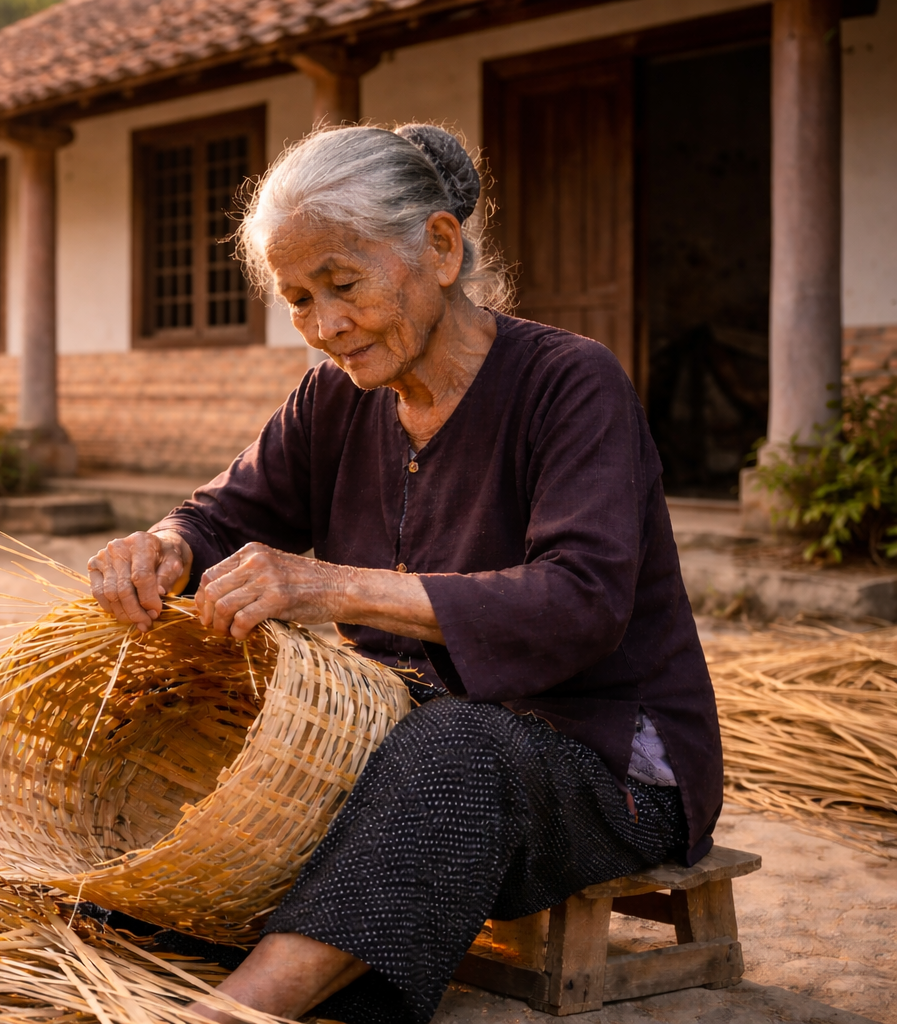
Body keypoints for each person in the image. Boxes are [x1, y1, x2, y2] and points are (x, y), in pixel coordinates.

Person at [86, 124, 723, 1024]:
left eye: (343, 285)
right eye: (298, 299)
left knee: (457, 748)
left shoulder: (571, 383)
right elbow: (222, 514)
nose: (326, 327)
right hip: (410, 740)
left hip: (602, 759)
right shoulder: (333, 397)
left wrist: (331, 586)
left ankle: (236, 1014)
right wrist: (166, 548)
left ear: (439, 246)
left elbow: (580, 602)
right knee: (222, 744)